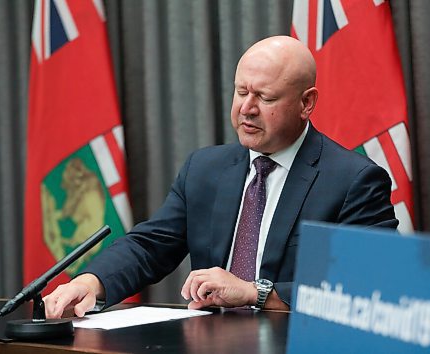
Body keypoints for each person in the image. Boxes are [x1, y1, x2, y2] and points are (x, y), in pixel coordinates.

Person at [44, 35, 398, 318]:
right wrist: (91, 281)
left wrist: (256, 293)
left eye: (265, 97)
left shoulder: (354, 180)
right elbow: (151, 246)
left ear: (307, 103)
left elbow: (365, 287)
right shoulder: (205, 168)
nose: (247, 108)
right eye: (242, 91)